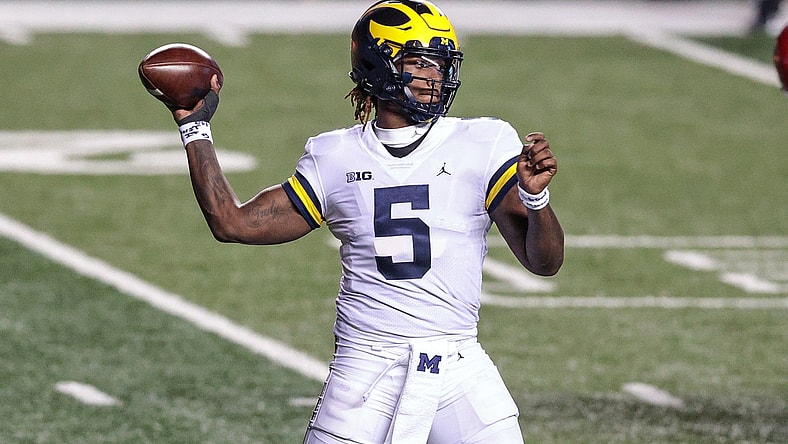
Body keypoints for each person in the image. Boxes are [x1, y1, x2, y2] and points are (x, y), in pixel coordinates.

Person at [169, 1, 564, 442]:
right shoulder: (334, 156)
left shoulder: (485, 142)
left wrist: (536, 198)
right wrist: (194, 128)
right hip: (365, 369)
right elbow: (233, 224)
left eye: (439, 62)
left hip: (459, 366)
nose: (434, 75)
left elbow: (543, 261)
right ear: (376, 67)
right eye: (417, 61)